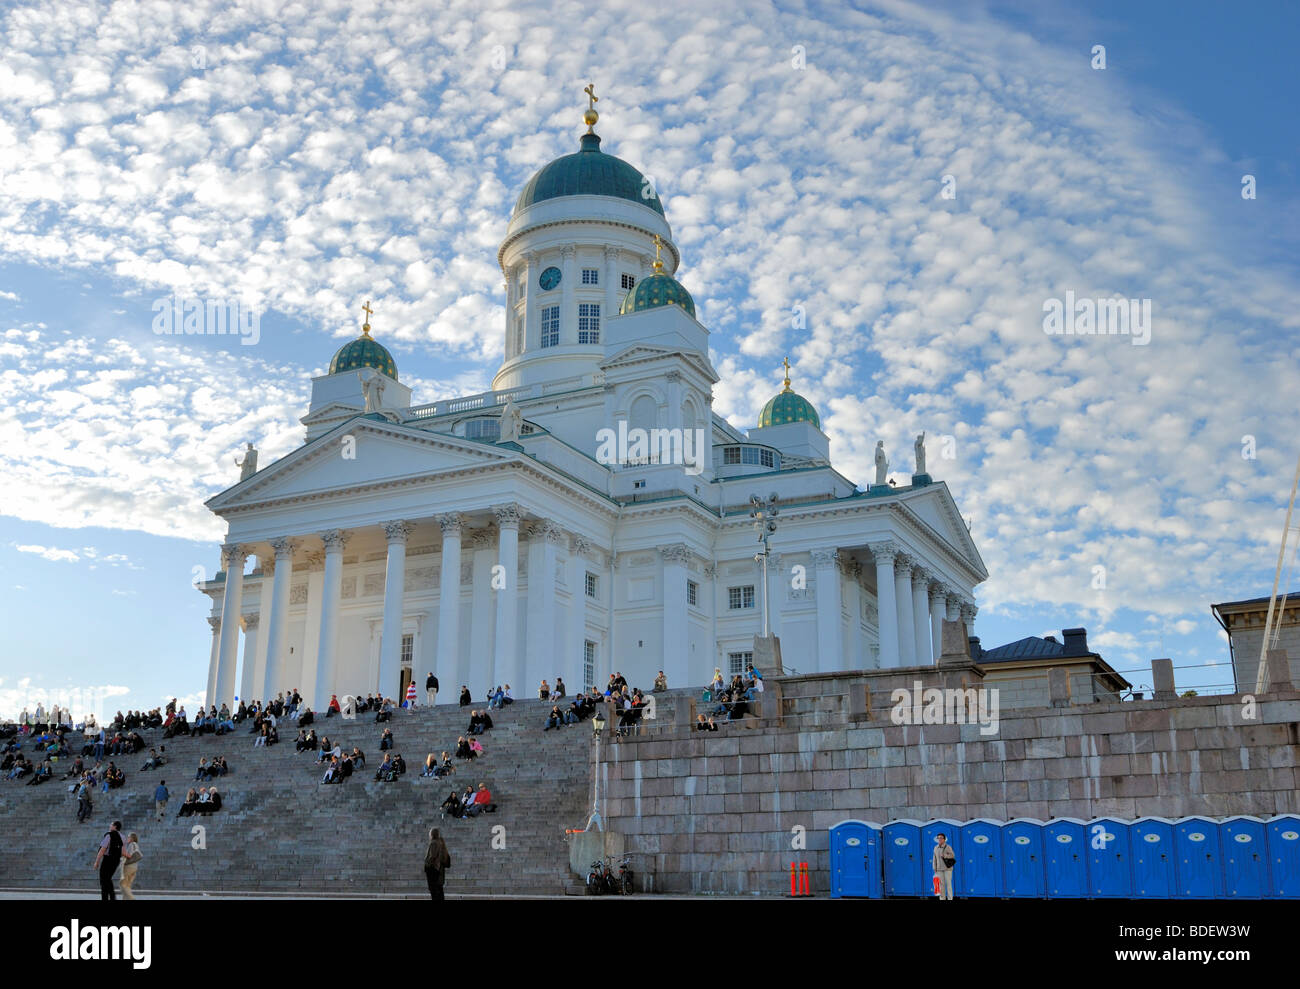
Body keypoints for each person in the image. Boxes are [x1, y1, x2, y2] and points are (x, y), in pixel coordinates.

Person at [93, 820, 124, 900]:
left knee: (103, 880)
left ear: (115, 827)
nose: (110, 826)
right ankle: (112, 897)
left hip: (107, 860)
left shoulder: (109, 836)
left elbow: (102, 850)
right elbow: (123, 851)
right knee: (107, 879)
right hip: (116, 860)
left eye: (111, 825)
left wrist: (97, 862)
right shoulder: (123, 837)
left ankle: (107, 897)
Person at [424, 826, 451, 900]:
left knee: (434, 891)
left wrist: (427, 865)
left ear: (432, 834)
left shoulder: (434, 843)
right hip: (439, 871)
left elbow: (432, 856)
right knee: (439, 891)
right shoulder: (441, 843)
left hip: (433, 870)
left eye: (430, 833)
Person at [119, 832, 142, 900]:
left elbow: (129, 855)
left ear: (132, 838)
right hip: (134, 866)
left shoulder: (131, 844)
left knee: (122, 884)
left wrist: (122, 853)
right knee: (127, 885)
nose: (127, 838)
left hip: (129, 866)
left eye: (128, 837)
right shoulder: (136, 845)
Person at [933, 832, 956, 900]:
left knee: (948, 885)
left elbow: (952, 855)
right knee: (941, 886)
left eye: (941, 838)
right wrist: (934, 867)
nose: (939, 839)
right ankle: (942, 898)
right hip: (939, 869)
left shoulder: (948, 847)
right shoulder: (935, 848)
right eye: (938, 838)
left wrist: (945, 856)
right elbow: (934, 859)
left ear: (944, 839)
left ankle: (950, 898)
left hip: (947, 869)